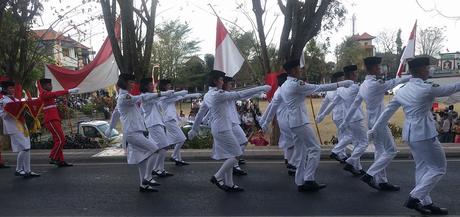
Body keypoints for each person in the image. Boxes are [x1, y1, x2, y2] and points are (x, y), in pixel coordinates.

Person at [368, 57, 453, 215]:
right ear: (420, 70)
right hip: (425, 134)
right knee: (439, 168)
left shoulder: (402, 90)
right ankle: (415, 196)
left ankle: (425, 202)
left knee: (421, 168)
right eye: (427, 68)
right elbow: (452, 88)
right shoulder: (427, 88)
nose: (429, 71)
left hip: (411, 134)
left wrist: (373, 129)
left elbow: (387, 113)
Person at [188, 70, 270, 192]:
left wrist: (194, 129)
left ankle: (230, 184)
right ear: (215, 81)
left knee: (230, 156)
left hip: (221, 128)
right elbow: (240, 94)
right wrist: (261, 88)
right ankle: (217, 176)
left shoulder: (208, 95)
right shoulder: (217, 94)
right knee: (237, 154)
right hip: (223, 129)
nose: (223, 81)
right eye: (221, 79)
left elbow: (201, 113)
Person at [279, 59, 353, 192]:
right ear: (293, 70)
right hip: (300, 121)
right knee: (315, 149)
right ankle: (309, 179)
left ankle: (300, 181)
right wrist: (341, 84)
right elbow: (318, 88)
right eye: (298, 69)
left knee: (302, 153)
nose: (300, 70)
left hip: (293, 122)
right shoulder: (295, 84)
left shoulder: (285, 84)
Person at [340, 57, 409, 191]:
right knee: (391, 150)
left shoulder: (364, 84)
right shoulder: (375, 84)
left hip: (371, 121)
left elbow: (355, 105)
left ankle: (382, 181)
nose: (380, 69)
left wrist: (345, 121)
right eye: (378, 67)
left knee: (380, 150)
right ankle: (370, 174)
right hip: (380, 122)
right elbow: (394, 82)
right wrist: (411, 77)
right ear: (372, 68)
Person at [317, 65, 369, 174]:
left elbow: (333, 103)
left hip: (347, 118)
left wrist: (323, 115)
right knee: (363, 142)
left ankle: (357, 167)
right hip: (356, 118)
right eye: (355, 73)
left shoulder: (340, 89)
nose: (357, 75)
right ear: (351, 75)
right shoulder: (355, 87)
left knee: (355, 142)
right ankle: (348, 160)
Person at [116, 74, 161, 193]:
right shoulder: (124, 97)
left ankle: (143, 185)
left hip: (135, 132)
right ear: (124, 82)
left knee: (142, 159)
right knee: (155, 149)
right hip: (132, 133)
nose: (133, 84)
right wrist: (160, 93)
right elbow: (139, 98)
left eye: (133, 82)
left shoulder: (126, 96)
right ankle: (147, 177)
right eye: (130, 82)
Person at [259, 72, 299, 176]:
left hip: (282, 121)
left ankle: (288, 160)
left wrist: (263, 122)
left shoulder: (278, 91)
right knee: (297, 142)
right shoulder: (283, 91)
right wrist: (265, 122)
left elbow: (270, 108)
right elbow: (271, 109)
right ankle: (292, 163)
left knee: (287, 142)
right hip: (289, 120)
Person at [222, 76, 261, 176]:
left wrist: (257, 93)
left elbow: (243, 96)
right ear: (225, 84)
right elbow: (241, 94)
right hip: (230, 123)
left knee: (240, 143)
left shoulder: (228, 94)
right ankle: (233, 165)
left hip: (234, 122)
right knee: (241, 142)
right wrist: (260, 89)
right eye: (230, 84)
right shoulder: (225, 95)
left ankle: (234, 163)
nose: (232, 85)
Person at [139, 78, 178, 177]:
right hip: (153, 124)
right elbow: (159, 95)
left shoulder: (151, 96)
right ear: (145, 86)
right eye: (151, 85)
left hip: (157, 124)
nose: (153, 86)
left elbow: (162, 97)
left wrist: (180, 93)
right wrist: (166, 93)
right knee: (161, 147)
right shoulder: (145, 96)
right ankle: (154, 170)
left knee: (159, 148)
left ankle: (159, 169)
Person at [157, 79, 201, 166]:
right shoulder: (164, 97)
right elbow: (181, 97)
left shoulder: (168, 96)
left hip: (170, 120)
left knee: (178, 140)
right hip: (169, 120)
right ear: (164, 86)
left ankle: (178, 159)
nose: (170, 86)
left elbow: (179, 97)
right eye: (169, 85)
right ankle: (174, 155)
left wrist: (190, 94)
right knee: (181, 139)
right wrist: (191, 94)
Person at [0, 81, 40, 178]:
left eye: (13, 88)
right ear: (5, 89)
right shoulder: (3, 101)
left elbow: (21, 108)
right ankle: (20, 169)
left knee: (27, 148)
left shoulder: (15, 99)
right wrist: (11, 111)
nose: (12, 90)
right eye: (10, 88)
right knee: (25, 148)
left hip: (22, 125)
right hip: (13, 126)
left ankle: (26, 170)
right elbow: (2, 115)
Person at [39, 78, 79, 167]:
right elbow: (55, 94)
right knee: (61, 140)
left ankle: (60, 160)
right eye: (49, 85)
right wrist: (68, 91)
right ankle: (53, 157)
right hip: (51, 120)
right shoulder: (44, 94)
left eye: (51, 84)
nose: (51, 86)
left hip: (55, 119)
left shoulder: (47, 94)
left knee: (58, 140)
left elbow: (55, 96)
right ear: (44, 86)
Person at [315, 71, 348, 163]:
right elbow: (331, 104)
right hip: (343, 115)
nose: (343, 80)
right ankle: (338, 152)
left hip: (336, 116)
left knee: (342, 135)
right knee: (347, 135)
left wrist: (320, 115)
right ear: (338, 80)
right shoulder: (341, 89)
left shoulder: (329, 90)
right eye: (342, 79)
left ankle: (342, 155)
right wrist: (322, 115)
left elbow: (324, 103)